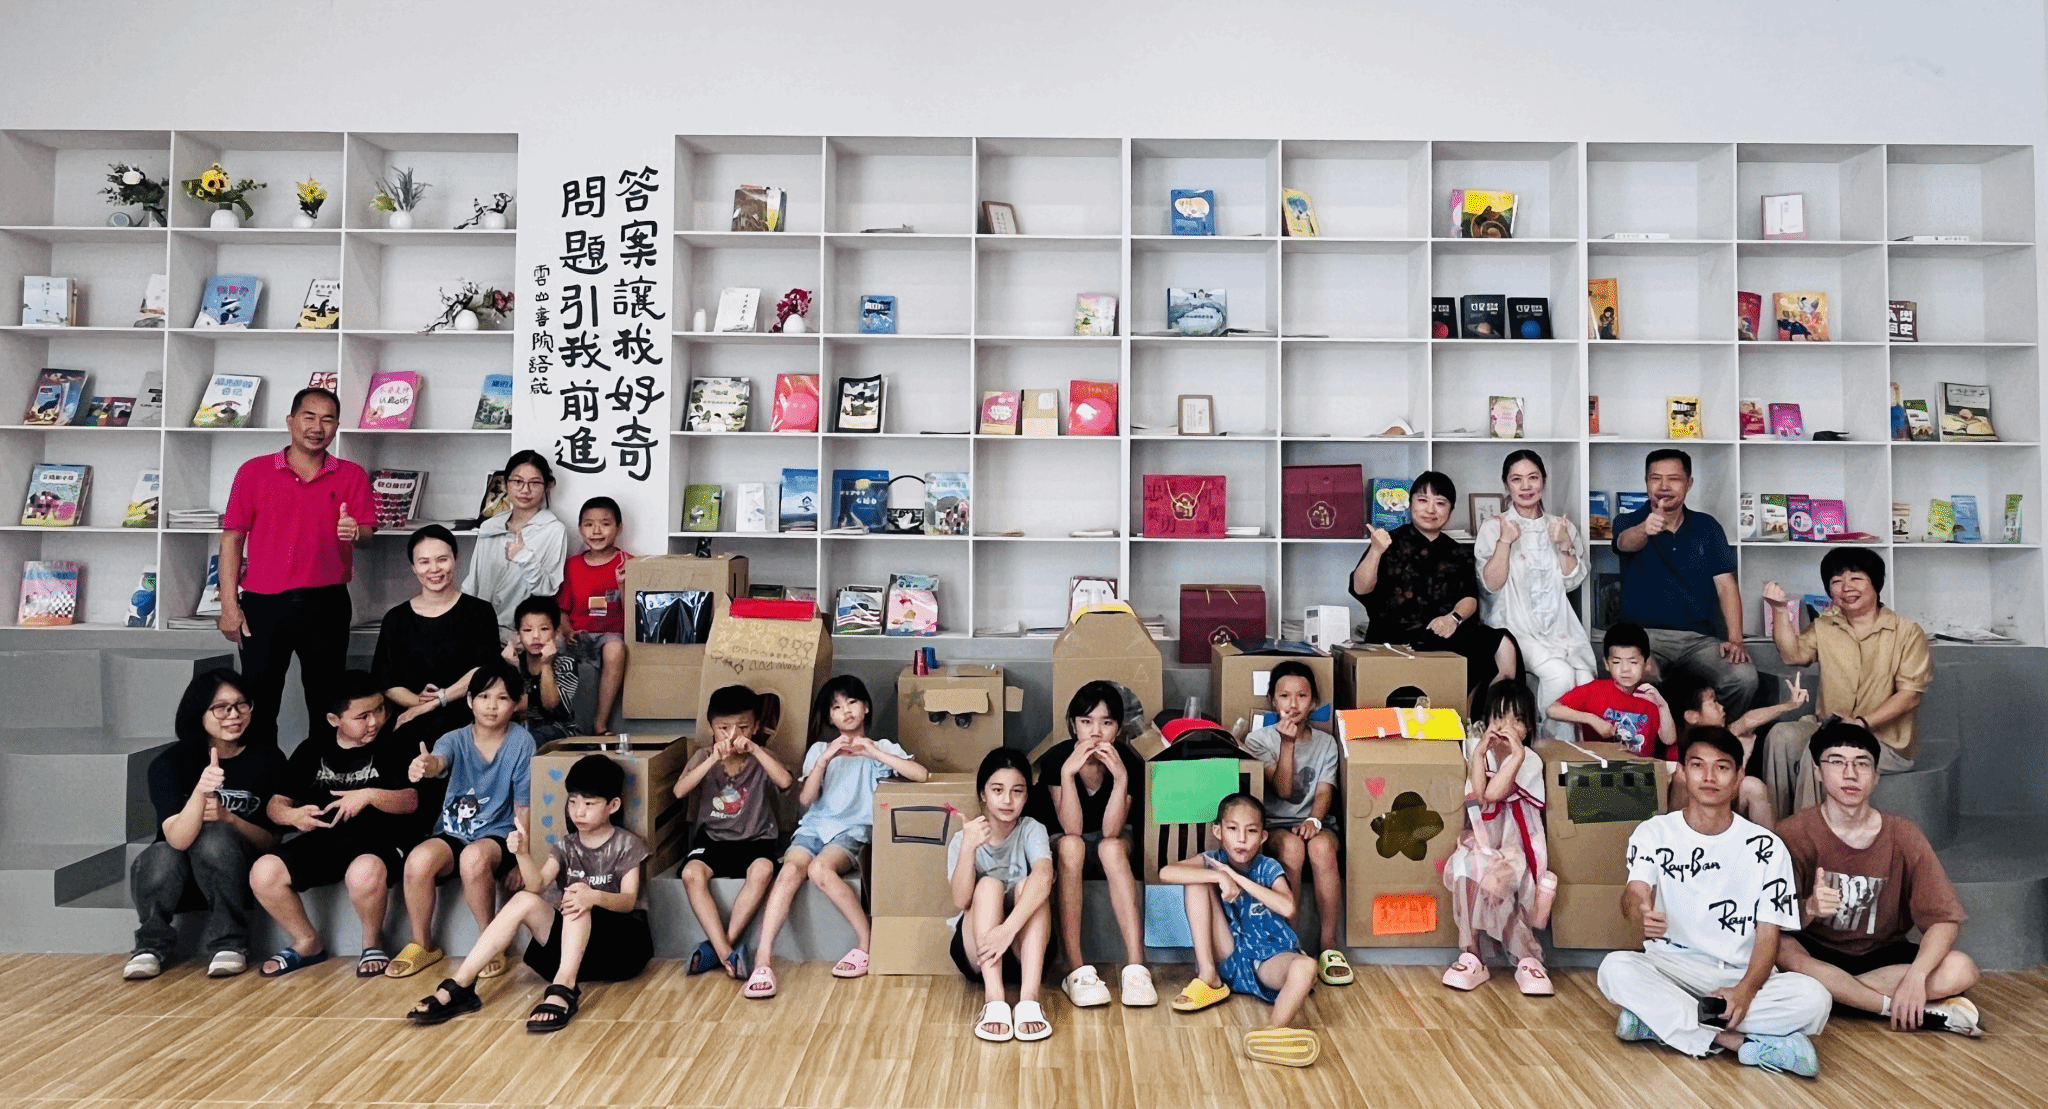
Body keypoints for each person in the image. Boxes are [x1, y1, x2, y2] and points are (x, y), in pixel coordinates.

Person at [1596, 726, 1832, 1079]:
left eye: (1721, 767)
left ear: (1739, 778)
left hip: (1739, 971)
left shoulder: (1767, 847)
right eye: (1698, 765)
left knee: (1814, 998)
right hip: (1672, 966)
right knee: (1614, 969)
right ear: (1682, 772)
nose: (1709, 777)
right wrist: (1640, 908)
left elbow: (1769, 934)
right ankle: (1738, 1042)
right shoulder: (1655, 832)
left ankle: (1660, 1021)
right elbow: (1634, 893)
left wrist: (1745, 991)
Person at [406, 755, 651, 1033]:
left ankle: (564, 990)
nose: (578, 812)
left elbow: (628, 901)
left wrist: (592, 896)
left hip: (618, 949)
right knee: (524, 899)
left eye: (589, 804)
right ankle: (461, 985)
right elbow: (537, 885)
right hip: (571, 948)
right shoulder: (566, 846)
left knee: (576, 899)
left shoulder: (626, 844)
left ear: (613, 805)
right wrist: (521, 854)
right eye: (573, 801)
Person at [1774, 720, 1982, 1036]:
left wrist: (1916, 978)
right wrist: (1810, 907)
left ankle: (1835, 997)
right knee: (1781, 949)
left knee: (1961, 968)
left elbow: (1943, 920)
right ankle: (1893, 1008)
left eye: (1862, 764)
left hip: (1881, 956)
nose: (1850, 774)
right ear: (1818, 771)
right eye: (1837, 762)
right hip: (1815, 952)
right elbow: (1769, 922)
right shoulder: (1792, 833)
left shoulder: (1903, 834)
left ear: (1876, 776)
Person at [745, 676, 928, 998]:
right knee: (789, 871)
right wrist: (825, 759)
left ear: (866, 706)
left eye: (852, 702)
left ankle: (866, 943)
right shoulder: (820, 749)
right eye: (836, 707)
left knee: (820, 869)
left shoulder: (882, 747)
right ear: (830, 717)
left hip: (853, 830)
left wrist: (874, 753)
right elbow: (805, 800)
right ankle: (762, 960)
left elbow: (921, 775)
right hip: (814, 827)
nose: (846, 711)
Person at [216, 387, 373, 745]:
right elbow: (232, 539)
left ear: (336, 427)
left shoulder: (351, 475)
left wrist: (356, 532)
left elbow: (366, 535)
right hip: (263, 605)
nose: (317, 427)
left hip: (326, 603)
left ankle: (321, 774)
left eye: (328, 419)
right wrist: (228, 606)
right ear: (290, 421)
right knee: (258, 702)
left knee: (327, 703)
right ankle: (261, 777)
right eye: (309, 417)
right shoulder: (254, 471)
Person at [249, 670, 420, 979]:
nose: (374, 721)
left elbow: (411, 801)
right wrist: (292, 816)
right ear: (333, 719)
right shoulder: (312, 749)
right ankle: (307, 942)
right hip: (323, 840)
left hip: (379, 841)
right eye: (362, 716)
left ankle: (372, 943)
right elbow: (275, 804)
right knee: (264, 872)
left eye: (379, 710)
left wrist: (369, 795)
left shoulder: (396, 742)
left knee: (363, 872)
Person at [123, 669, 284, 981]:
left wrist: (229, 817)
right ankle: (150, 946)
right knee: (159, 855)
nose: (234, 715)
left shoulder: (268, 759)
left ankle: (229, 943)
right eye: (221, 708)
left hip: (234, 872)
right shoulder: (168, 764)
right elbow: (176, 839)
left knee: (215, 837)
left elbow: (271, 841)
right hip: (177, 877)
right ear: (198, 713)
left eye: (241, 705)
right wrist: (200, 790)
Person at [1758, 547, 1933, 816]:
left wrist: (1861, 724)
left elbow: (1910, 695)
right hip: (1829, 726)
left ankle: (1811, 834)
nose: (1846, 587)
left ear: (1876, 583)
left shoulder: (1907, 632)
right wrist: (1780, 610)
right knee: (1781, 737)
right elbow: (1793, 655)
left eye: (1856, 579)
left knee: (1821, 751)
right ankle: (1779, 828)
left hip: (1886, 742)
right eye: (1837, 581)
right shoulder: (1825, 625)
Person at [390, 658, 535, 979]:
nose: (491, 706)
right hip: (454, 831)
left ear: (515, 704)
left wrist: (521, 860)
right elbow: (438, 762)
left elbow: (524, 807)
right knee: (417, 861)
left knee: (473, 859)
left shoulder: (522, 742)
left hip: (498, 836)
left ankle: (490, 941)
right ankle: (422, 944)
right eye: (483, 696)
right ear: (470, 701)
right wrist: (425, 766)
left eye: (502, 698)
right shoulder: (454, 738)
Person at [1161, 794, 1321, 1068]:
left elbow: (1287, 907)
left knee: (1306, 966)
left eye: (1251, 831)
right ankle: (1209, 977)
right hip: (1230, 955)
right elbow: (1166, 872)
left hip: (1269, 961)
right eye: (1233, 829)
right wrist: (1219, 875)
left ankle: (1273, 1033)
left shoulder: (1267, 867)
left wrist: (1237, 879)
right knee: (1195, 882)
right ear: (1218, 832)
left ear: (1262, 837)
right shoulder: (1212, 860)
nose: (1242, 839)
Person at [1350, 470, 1520, 698]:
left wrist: (1453, 618)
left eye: (1440, 503)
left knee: (1503, 644)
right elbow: (1360, 588)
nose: (1430, 510)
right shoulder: (1387, 541)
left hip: (1441, 634)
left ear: (1450, 510)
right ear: (1411, 504)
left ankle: (1486, 713)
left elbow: (1469, 597)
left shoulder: (1458, 552)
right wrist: (1376, 551)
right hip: (1393, 636)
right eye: (1422, 500)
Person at [1612, 449, 1757, 714]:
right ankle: (1654, 738)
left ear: (1689, 483)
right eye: (1655, 478)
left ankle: (1713, 733)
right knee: (1637, 673)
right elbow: (1625, 543)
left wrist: (1735, 639)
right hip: (1645, 637)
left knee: (1743, 678)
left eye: (1674, 479)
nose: (1664, 486)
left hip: (1700, 640)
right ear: (1646, 482)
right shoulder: (1629, 521)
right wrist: (1645, 528)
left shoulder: (1708, 527)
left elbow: (1726, 585)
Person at [1035, 681, 1152, 1009]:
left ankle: (1137, 966)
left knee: (1110, 847)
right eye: (1086, 722)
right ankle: (1076, 968)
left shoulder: (1127, 760)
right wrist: (1068, 774)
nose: (1096, 732)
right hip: (1068, 844)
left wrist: (1121, 778)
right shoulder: (1057, 759)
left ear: (1118, 728)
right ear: (1074, 725)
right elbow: (1071, 828)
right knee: (1072, 845)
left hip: (1110, 842)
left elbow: (1111, 831)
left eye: (1106, 722)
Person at [1239, 661, 1352, 987]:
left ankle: (1329, 945)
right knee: (1291, 848)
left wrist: (1315, 819)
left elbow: (1325, 790)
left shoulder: (1326, 743)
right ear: (1273, 701)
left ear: (1313, 701)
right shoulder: (1258, 740)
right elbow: (1282, 791)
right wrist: (1286, 745)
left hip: (1316, 822)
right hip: (1275, 824)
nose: (1293, 704)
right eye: (1284, 696)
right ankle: (1288, 942)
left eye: (1302, 696)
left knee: (1322, 849)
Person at [1442, 680, 1557, 996]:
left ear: (1528, 727)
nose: (1507, 726)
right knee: (1466, 867)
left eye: (1517, 719)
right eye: (1499, 717)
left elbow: (1494, 793)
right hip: (1482, 839)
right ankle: (1471, 955)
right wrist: (1480, 752)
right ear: (1487, 720)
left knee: (1502, 881)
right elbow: (1479, 795)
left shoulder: (1529, 759)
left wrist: (1516, 756)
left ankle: (1526, 958)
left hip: (1517, 844)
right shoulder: (1478, 752)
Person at [674, 685, 793, 979]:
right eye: (723, 728)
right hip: (712, 840)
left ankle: (718, 949)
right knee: (691, 874)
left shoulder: (762, 756)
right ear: (711, 728)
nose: (733, 735)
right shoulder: (703, 756)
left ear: (756, 728)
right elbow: (679, 791)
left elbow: (785, 782)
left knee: (764, 870)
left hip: (756, 839)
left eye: (743, 727)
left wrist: (756, 750)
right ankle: (727, 952)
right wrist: (712, 759)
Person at [1476, 450, 1595, 737]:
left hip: (1557, 625)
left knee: (1585, 677)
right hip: (1512, 625)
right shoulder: (1494, 527)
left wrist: (1564, 545)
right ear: (1506, 484)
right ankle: (1549, 747)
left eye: (1533, 478)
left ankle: (1582, 752)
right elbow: (1491, 584)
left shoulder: (1561, 526)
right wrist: (1505, 542)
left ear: (1543, 480)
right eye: (1516, 479)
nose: (1526, 486)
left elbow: (1572, 582)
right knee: (1559, 673)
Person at [948, 747, 1056, 1043]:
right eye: (997, 790)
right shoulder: (964, 838)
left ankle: (1029, 999)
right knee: (988, 886)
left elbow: (1044, 876)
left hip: (1027, 953)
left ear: (1026, 795)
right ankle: (994, 999)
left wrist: (1007, 931)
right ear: (983, 794)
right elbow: (960, 901)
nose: (1007, 800)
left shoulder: (1032, 829)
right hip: (979, 953)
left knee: (1031, 885)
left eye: (1017, 791)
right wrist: (968, 847)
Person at [372, 525, 503, 754]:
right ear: (414, 568)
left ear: (455, 559)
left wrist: (437, 701)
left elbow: (484, 669)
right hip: (411, 716)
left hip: (467, 717)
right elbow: (387, 681)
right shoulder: (395, 619)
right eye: (424, 562)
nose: (434, 569)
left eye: (442, 559)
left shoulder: (479, 612)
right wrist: (417, 704)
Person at [462, 450, 567, 643]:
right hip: (480, 629)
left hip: (523, 637)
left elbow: (546, 591)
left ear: (547, 487)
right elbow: (473, 581)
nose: (525, 490)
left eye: (534, 483)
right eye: (517, 481)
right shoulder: (489, 527)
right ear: (505, 484)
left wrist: (524, 557)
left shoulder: (553, 530)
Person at [1678, 678, 1810, 829]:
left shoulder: (1728, 735)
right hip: (1694, 812)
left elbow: (1748, 720)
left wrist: (1790, 704)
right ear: (1692, 716)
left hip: (1727, 803)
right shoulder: (1683, 749)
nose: (1721, 707)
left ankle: (1768, 841)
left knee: (1753, 786)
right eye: (1713, 702)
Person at [555, 496, 632, 735]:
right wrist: (568, 632)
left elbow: (634, 611)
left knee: (615, 650)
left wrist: (623, 585)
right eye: (589, 524)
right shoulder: (571, 566)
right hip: (579, 633)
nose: (596, 531)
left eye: (605, 524)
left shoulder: (628, 563)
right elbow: (562, 610)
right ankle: (557, 722)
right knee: (551, 645)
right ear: (580, 529)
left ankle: (600, 722)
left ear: (619, 528)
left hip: (611, 634)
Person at [1546, 623, 1677, 759]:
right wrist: (1592, 720)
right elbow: (1552, 710)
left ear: (1646, 664)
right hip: (1600, 767)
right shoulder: (1595, 691)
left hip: (1640, 769)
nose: (1625, 669)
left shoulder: (1650, 696)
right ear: (1607, 664)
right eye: (1616, 662)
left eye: (1633, 662)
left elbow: (1669, 739)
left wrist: (1662, 706)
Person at [503, 596, 579, 743]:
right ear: (518, 634)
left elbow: (552, 706)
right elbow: (510, 707)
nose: (536, 636)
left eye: (544, 629)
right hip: (518, 731)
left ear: (556, 632)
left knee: (531, 738)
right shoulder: (512, 661)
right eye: (527, 630)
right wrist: (512, 668)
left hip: (559, 732)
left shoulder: (566, 664)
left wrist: (546, 665)